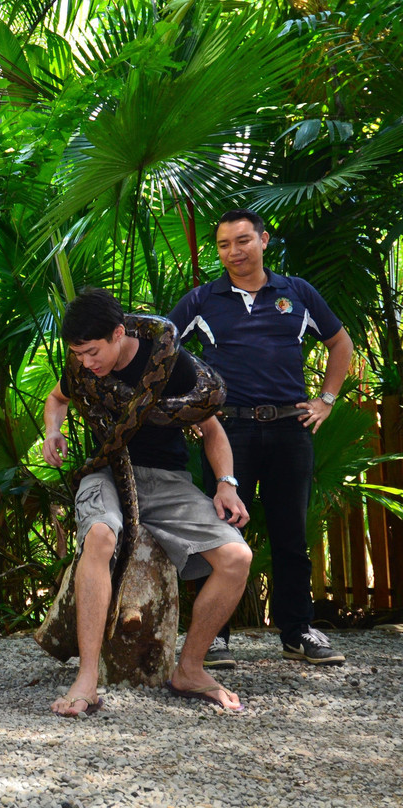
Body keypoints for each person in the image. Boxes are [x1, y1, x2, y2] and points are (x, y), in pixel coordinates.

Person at [42, 288, 253, 715]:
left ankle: (190, 668)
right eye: (78, 354)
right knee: (100, 536)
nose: (86, 363)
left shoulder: (171, 363)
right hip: (107, 472)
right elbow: (56, 399)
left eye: (92, 352)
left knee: (237, 558)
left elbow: (211, 429)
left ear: (119, 333)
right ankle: (87, 677)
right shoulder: (83, 370)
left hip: (167, 480)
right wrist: (53, 430)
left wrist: (226, 483)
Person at [169, 208, 354, 667]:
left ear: (264, 240)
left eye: (243, 241)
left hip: (291, 429)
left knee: (291, 535)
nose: (234, 252)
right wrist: (192, 410)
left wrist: (327, 400)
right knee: (219, 531)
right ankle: (215, 638)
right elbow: (161, 349)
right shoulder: (201, 299)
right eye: (224, 245)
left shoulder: (297, 293)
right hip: (229, 433)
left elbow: (341, 344)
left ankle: (298, 633)